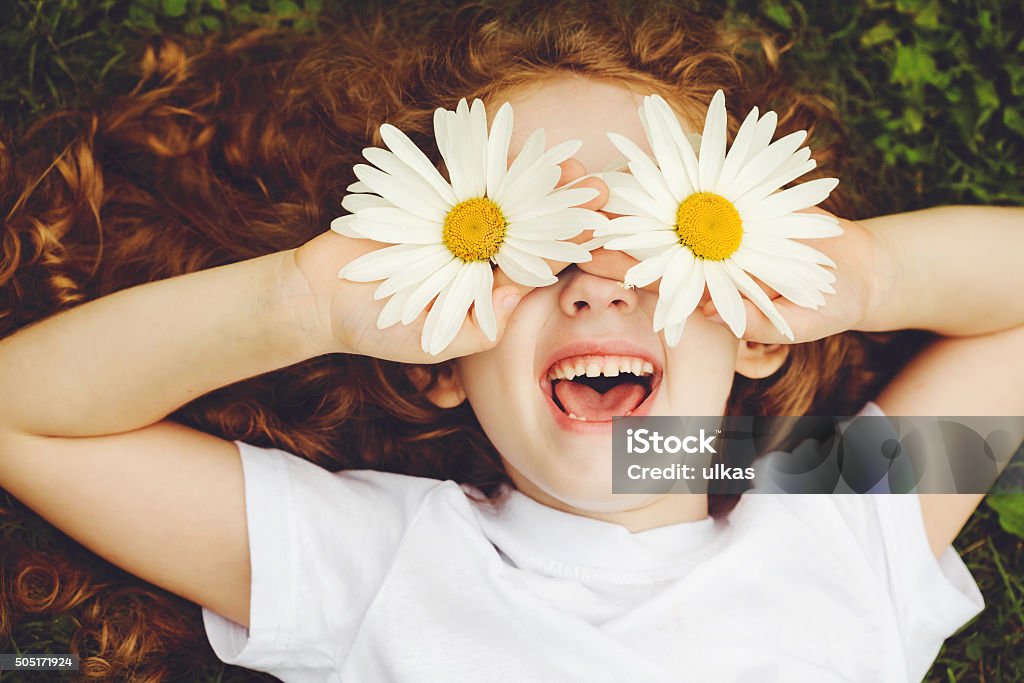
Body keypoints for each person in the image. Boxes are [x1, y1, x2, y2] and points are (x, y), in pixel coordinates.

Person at [0, 2, 1021, 681]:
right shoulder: (375, 560)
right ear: (438, 354)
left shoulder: (840, 512)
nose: (592, 281)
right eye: (522, 249)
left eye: (653, 233)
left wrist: (867, 276)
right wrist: (300, 302)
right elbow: (24, 417)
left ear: (755, 322)